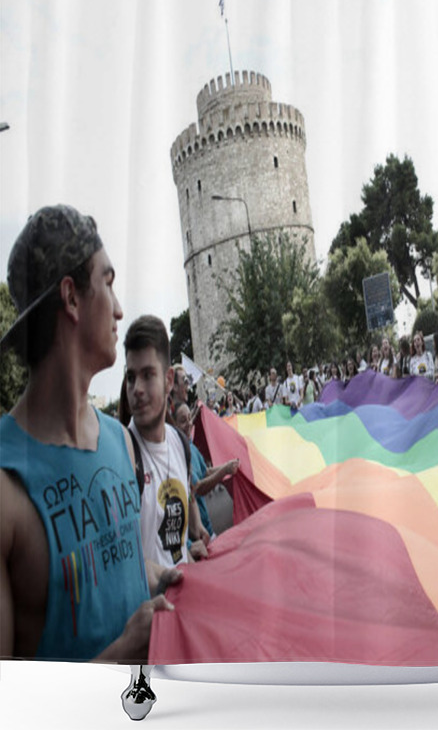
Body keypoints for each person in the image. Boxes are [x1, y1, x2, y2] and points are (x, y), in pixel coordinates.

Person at [0, 205, 176, 662]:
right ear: (72, 298)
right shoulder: (5, 487)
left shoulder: (122, 444)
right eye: (108, 282)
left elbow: (116, 569)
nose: (119, 308)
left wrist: (171, 577)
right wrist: (121, 654)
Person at [125, 315, 209, 569]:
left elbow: (194, 528)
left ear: (168, 380)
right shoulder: (122, 454)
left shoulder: (181, 445)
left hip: (185, 602)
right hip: (152, 607)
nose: (137, 388)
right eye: (130, 377)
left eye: (148, 375)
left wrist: (196, 544)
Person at [173, 402, 239, 540]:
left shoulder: (191, 446)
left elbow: (206, 472)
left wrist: (227, 466)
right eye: (183, 421)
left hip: (206, 528)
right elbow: (198, 488)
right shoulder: (178, 454)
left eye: (189, 418)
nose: (189, 423)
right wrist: (224, 470)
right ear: (174, 426)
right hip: (198, 535)